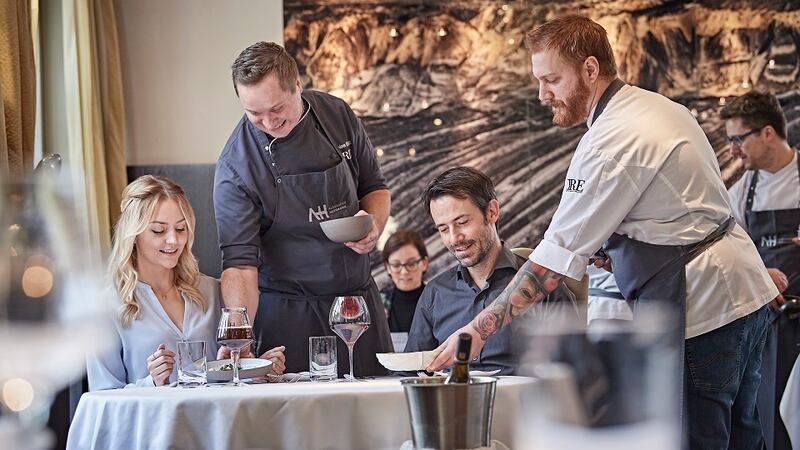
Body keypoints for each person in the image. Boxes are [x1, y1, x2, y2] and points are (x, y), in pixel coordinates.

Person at [429, 15, 779, 448]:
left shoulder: (612, 141)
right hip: (743, 296)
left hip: (705, 310)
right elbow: (677, 217)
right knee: (747, 439)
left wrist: (478, 331)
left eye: (552, 79)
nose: (543, 95)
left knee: (695, 439)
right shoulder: (657, 107)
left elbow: (550, 266)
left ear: (590, 70)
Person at [213, 42, 393, 375]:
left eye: (276, 108)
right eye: (254, 114)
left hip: (356, 306)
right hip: (286, 314)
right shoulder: (235, 168)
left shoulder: (336, 115)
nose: (268, 121)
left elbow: (375, 189)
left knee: (374, 419)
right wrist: (239, 329)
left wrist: (374, 225)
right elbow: (239, 265)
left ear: (298, 85)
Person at [88, 175, 286, 390]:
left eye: (181, 229)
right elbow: (103, 395)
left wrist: (254, 371)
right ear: (133, 235)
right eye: (158, 230)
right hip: (153, 423)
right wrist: (151, 382)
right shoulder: (103, 307)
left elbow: (230, 377)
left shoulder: (213, 292)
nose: (174, 240)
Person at [405, 166, 577, 375]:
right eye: (443, 229)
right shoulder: (434, 294)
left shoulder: (544, 285)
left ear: (492, 212)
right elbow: (411, 373)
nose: (454, 238)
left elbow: (571, 372)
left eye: (462, 222)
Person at [722, 91, 800, 450]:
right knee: (768, 417)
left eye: (739, 139)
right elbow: (724, 250)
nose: (734, 150)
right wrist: (757, 272)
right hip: (769, 325)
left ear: (767, 133)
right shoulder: (742, 193)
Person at [380, 229, 429, 332]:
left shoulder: (439, 300)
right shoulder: (378, 303)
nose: (404, 272)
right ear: (388, 267)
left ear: (424, 263)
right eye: (396, 265)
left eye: (411, 263)